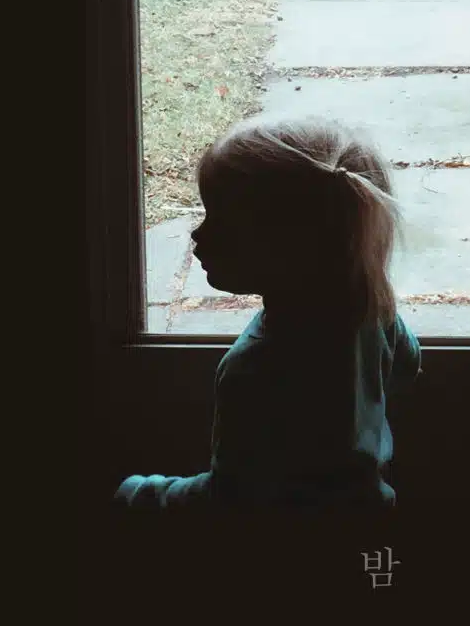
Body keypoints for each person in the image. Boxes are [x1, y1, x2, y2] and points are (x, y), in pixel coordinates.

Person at [114, 117, 422, 517]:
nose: (197, 234)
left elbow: (231, 499)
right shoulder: (370, 311)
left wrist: (144, 494)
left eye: (221, 223)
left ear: (286, 246)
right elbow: (406, 363)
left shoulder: (255, 367)